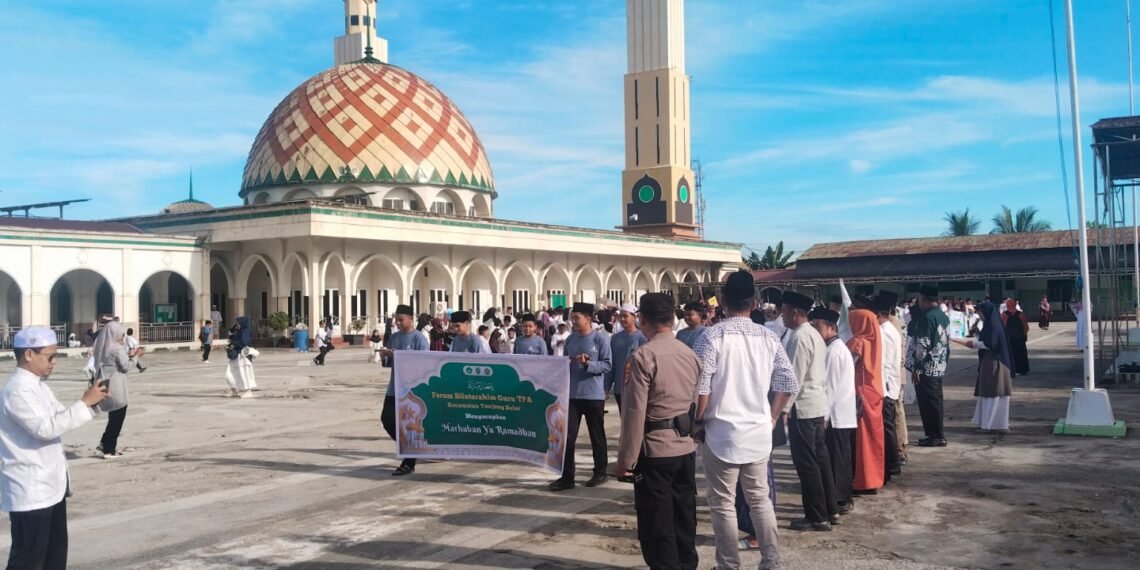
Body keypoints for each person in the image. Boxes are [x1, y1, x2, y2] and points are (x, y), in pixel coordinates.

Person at [692, 270, 798, 570]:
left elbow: (702, 386)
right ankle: (771, 561)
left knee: (722, 504)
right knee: (759, 499)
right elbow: (789, 382)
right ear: (753, 303)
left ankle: (728, 565)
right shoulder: (768, 337)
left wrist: (697, 422)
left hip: (721, 433)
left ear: (723, 303)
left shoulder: (712, 336)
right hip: (757, 433)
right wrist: (773, 416)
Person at [1, 327, 109, 570]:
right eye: (49, 357)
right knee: (28, 561)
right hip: (30, 490)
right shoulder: (16, 391)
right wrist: (84, 403)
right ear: (29, 354)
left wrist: (91, 403)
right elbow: (45, 429)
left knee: (53, 558)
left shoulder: (39, 387)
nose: (54, 363)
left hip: (51, 486)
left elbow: (60, 416)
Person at [613, 293, 700, 570]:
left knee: (657, 524)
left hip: (655, 451)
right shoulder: (689, 353)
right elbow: (695, 402)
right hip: (685, 447)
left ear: (644, 319)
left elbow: (634, 413)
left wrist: (625, 461)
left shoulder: (643, 356)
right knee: (684, 517)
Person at [780, 291, 837, 531]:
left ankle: (817, 516)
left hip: (804, 409)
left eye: (783, 311)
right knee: (820, 461)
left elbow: (794, 378)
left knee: (807, 465)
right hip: (816, 405)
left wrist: (783, 409)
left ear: (794, 312)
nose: (781, 317)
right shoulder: (812, 333)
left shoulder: (800, 337)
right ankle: (830, 509)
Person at [550, 302, 613, 492]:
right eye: (572, 317)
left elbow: (607, 365)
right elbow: (566, 363)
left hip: (593, 395)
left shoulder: (600, 339)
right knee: (568, 437)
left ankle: (600, 471)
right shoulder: (570, 340)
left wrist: (588, 365)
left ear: (588, 319)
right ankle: (567, 476)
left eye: (577, 318)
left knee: (597, 435)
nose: (573, 321)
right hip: (573, 395)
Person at [809, 307, 857, 517]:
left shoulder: (834, 350)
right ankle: (841, 497)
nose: (816, 330)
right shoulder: (834, 348)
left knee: (838, 459)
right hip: (841, 412)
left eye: (819, 326)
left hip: (836, 413)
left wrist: (824, 414)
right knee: (840, 456)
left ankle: (839, 498)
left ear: (832, 328)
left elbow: (829, 386)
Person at [379, 305, 430, 476]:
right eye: (396, 320)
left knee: (409, 426)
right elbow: (389, 365)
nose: (398, 323)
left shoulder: (419, 339)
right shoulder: (394, 337)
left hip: (411, 390)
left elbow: (423, 366)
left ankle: (409, 461)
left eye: (401, 319)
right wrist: (385, 356)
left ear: (411, 318)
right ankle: (409, 449)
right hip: (394, 387)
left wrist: (400, 357)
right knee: (386, 419)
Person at [957, 302, 1014, 433]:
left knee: (991, 393)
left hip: (994, 363)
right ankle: (995, 423)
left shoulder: (993, 326)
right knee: (993, 394)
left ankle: (989, 424)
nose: (979, 314)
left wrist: (971, 343)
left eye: (980, 312)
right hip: (994, 362)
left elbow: (990, 344)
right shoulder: (992, 324)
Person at [905, 285, 951, 447]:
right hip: (939, 365)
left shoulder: (927, 317)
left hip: (927, 367)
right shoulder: (943, 316)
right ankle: (937, 434)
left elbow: (922, 344)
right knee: (936, 401)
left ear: (923, 298)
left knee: (928, 403)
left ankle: (935, 435)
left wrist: (917, 368)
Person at [846, 308, 885, 494]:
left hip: (860, 393)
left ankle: (862, 479)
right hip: (874, 391)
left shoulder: (858, 342)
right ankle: (874, 478)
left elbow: (844, 366)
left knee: (861, 441)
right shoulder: (875, 338)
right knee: (874, 438)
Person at [874, 292, 904, 480]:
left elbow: (883, 362)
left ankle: (892, 462)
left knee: (887, 425)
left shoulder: (885, 332)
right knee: (889, 424)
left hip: (886, 384)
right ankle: (892, 461)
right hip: (890, 383)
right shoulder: (890, 329)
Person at [94, 322, 132, 458]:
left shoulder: (104, 347)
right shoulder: (117, 349)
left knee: (113, 418)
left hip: (107, 386)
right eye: (122, 334)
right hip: (117, 389)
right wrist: (136, 356)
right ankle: (109, 450)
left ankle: (104, 443)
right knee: (117, 420)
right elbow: (126, 366)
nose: (123, 337)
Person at [605, 303, 648, 410]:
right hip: (619, 388)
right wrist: (606, 387)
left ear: (634, 317)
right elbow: (612, 364)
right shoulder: (615, 339)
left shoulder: (642, 337)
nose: (622, 319)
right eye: (620, 316)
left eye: (626, 316)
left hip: (636, 388)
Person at [225, 316, 258, 398]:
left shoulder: (246, 332)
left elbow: (244, 342)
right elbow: (237, 339)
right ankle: (234, 390)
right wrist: (231, 338)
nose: (237, 324)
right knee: (230, 373)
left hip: (243, 356)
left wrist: (234, 343)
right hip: (236, 355)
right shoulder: (239, 331)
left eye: (238, 323)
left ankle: (248, 391)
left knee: (244, 373)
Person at [1001, 299, 1030, 375]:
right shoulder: (1021, 314)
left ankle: (1012, 369)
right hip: (1020, 338)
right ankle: (1022, 370)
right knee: (1021, 354)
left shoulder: (1004, 315)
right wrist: (1024, 335)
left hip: (1009, 339)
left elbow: (1002, 326)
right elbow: (1026, 327)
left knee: (1010, 354)